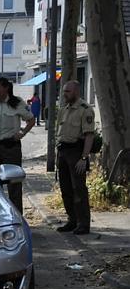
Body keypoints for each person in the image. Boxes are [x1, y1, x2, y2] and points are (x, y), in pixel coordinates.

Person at [0, 77, 35, 213]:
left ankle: (16, 215)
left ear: (6, 88)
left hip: (11, 148)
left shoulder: (17, 103)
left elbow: (31, 120)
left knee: (13, 184)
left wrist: (22, 133)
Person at [55, 80, 95, 235]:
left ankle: (83, 223)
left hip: (76, 152)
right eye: (64, 91)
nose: (64, 94)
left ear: (76, 92)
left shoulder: (85, 109)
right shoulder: (64, 109)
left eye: (68, 91)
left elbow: (89, 136)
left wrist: (84, 158)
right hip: (63, 152)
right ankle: (72, 220)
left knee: (79, 189)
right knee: (66, 189)